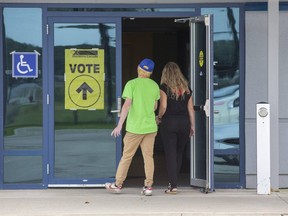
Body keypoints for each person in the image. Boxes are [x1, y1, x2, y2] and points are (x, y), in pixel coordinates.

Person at [105, 58, 160, 196]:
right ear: (151, 72)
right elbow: (155, 106)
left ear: (138, 68)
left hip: (135, 128)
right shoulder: (154, 86)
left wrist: (119, 125)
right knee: (148, 157)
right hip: (150, 128)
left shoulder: (131, 84)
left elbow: (127, 105)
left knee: (127, 157)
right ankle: (148, 187)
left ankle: (118, 185)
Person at [157, 61, 195, 194]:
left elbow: (163, 106)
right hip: (184, 123)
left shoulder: (164, 87)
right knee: (179, 153)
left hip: (169, 123)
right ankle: (174, 183)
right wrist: (192, 125)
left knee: (170, 154)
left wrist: (159, 117)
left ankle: (173, 186)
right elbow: (190, 109)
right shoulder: (187, 88)